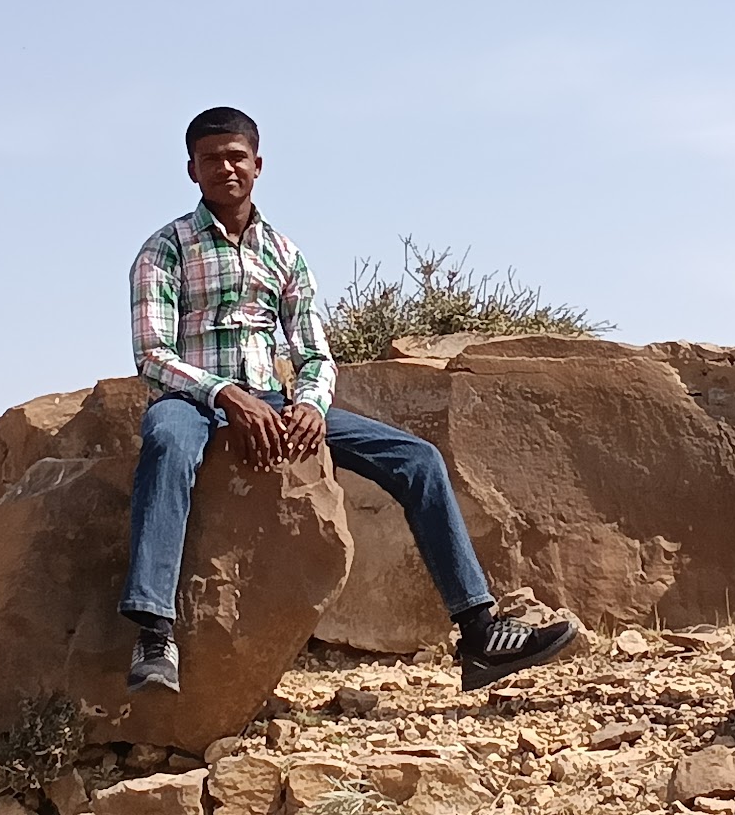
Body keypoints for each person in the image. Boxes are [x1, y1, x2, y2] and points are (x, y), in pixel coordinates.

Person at [121, 107, 577, 694]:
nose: (225, 168)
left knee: (418, 460)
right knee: (165, 439)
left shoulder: (284, 252)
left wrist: (308, 404)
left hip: (275, 400)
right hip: (193, 398)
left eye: (237, 156)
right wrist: (227, 395)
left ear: (258, 165)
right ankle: (155, 636)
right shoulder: (165, 248)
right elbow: (152, 353)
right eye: (212, 159)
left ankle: (479, 629)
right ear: (192, 170)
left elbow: (314, 351)